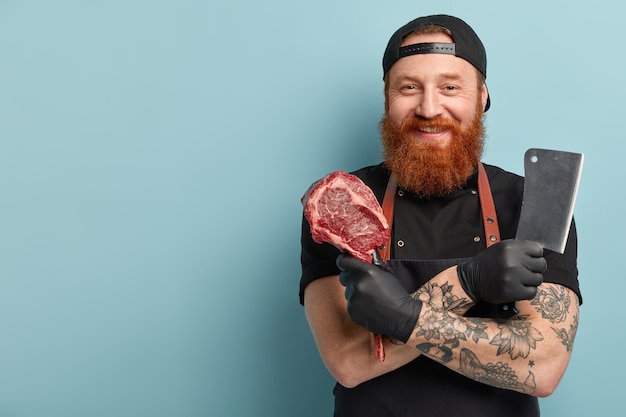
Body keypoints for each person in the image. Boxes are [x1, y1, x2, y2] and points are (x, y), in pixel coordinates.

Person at [299, 14, 581, 417]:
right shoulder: (342, 204)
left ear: (482, 96)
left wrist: (405, 317)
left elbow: (543, 366)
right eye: (409, 88)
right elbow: (348, 362)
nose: (429, 108)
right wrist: (467, 283)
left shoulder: (535, 202)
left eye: (450, 87)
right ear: (387, 99)